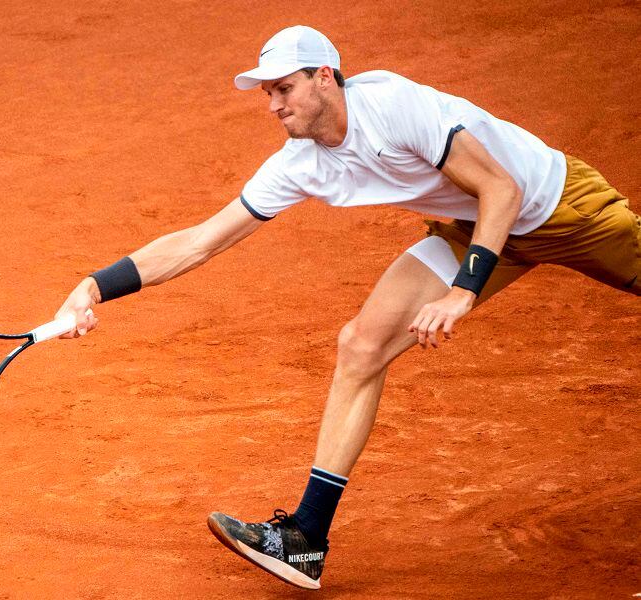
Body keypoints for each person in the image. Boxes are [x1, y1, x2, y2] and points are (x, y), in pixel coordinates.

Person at [55, 25, 640, 590]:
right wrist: (94, 286)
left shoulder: (393, 106)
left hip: (561, 207)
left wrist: (463, 290)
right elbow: (201, 241)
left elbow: (503, 190)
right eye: (269, 95)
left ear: (326, 78)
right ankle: (306, 537)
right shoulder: (301, 161)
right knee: (361, 345)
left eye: (284, 89)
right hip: (472, 230)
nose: (274, 107)